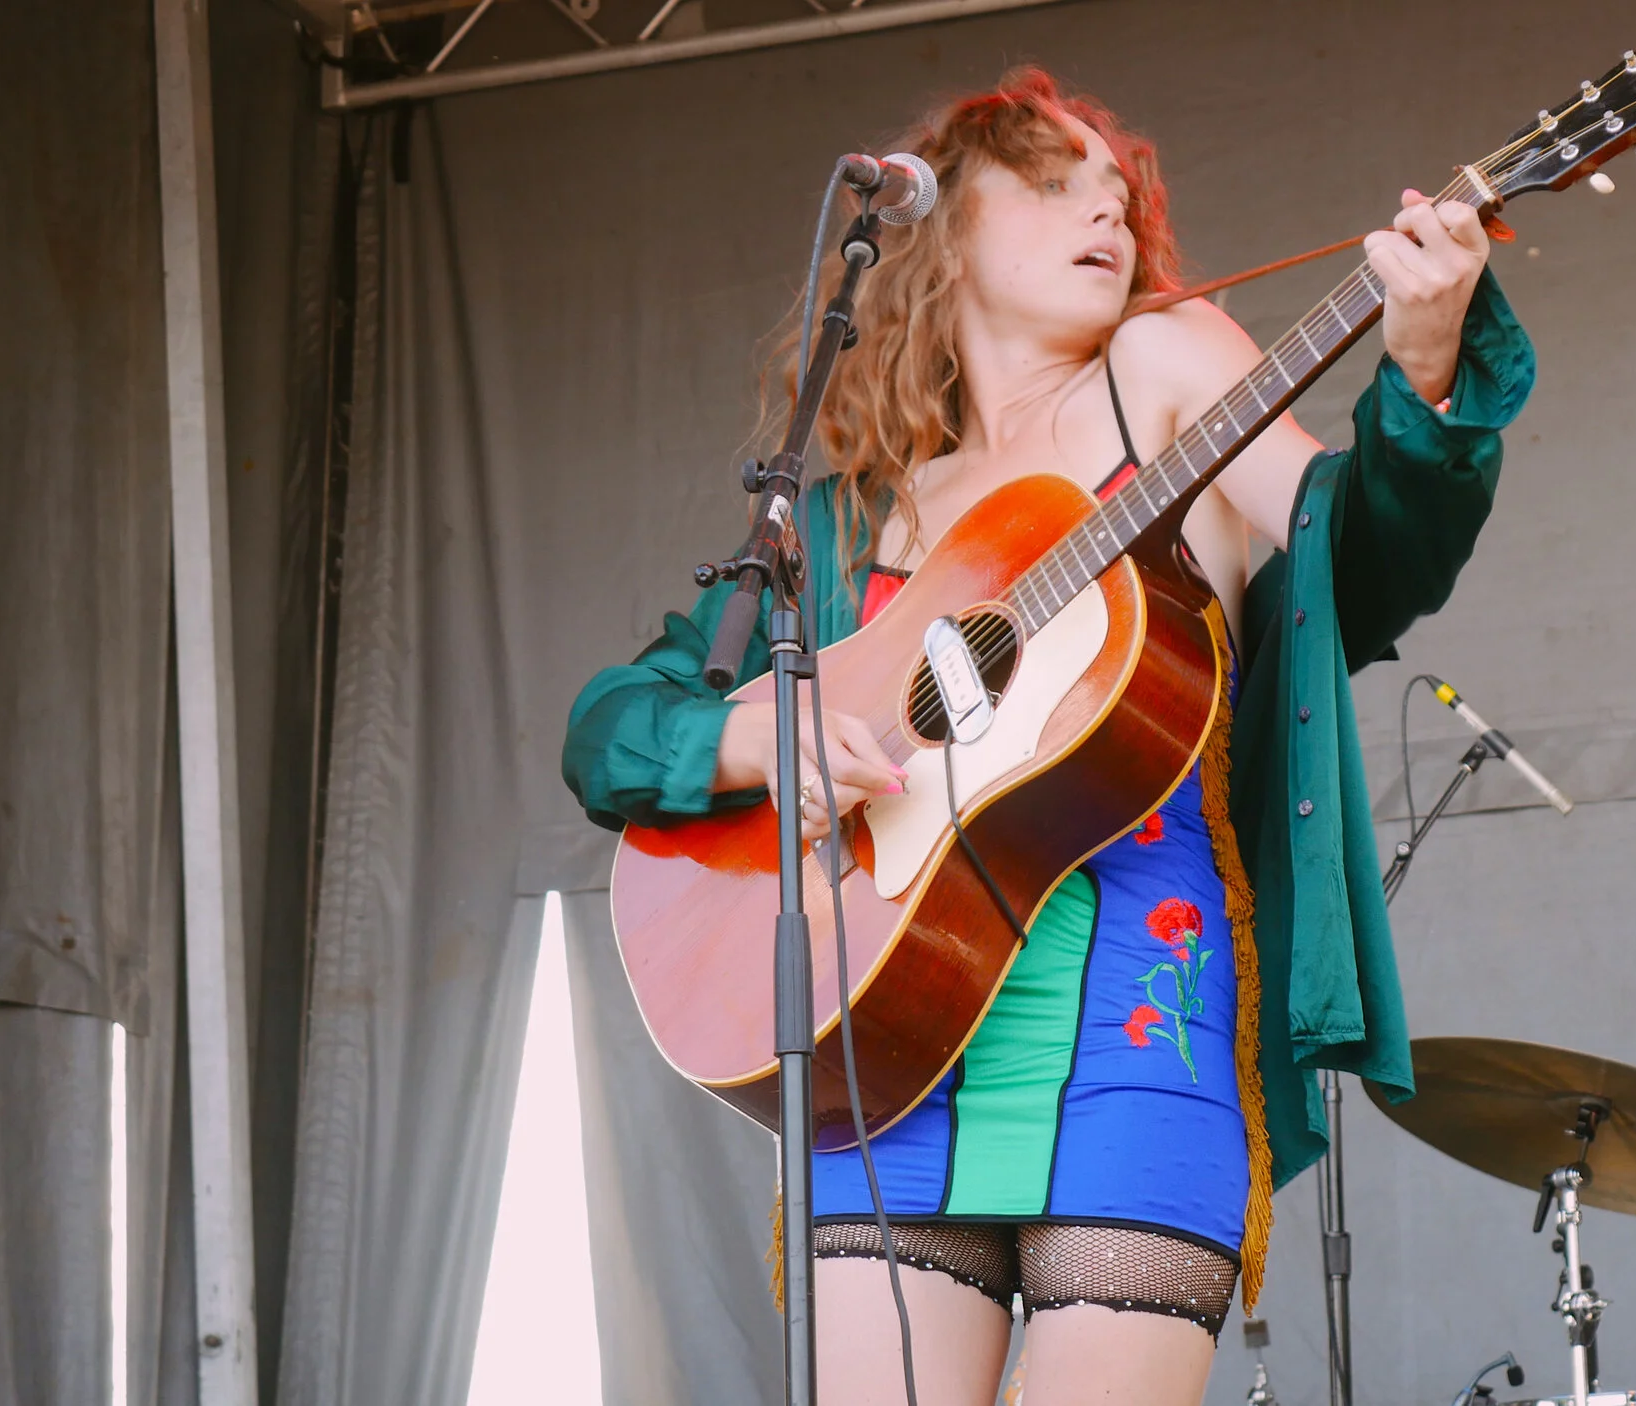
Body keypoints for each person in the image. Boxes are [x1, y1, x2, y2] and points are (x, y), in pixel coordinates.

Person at [561, 68, 1535, 1406]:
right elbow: (615, 727)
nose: (1109, 210)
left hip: (1141, 1029)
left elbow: (1356, 557)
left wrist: (1425, 369)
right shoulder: (848, 519)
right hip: (882, 1053)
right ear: (942, 233)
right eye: (1052, 176)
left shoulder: (1164, 365)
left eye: (1120, 191)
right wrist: (754, 751)